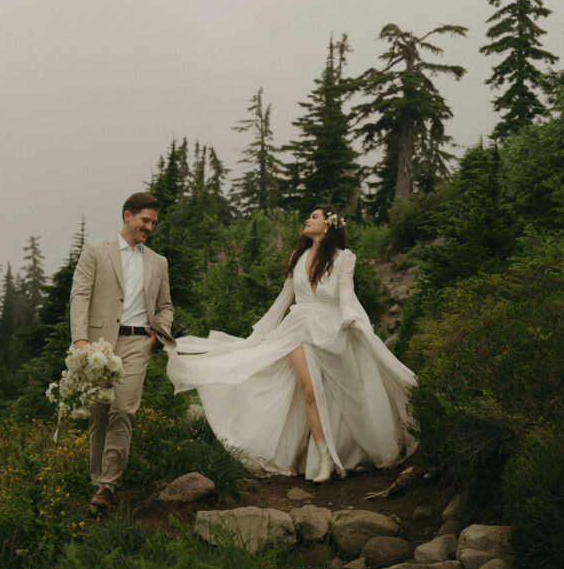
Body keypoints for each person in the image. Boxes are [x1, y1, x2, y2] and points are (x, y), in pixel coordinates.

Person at [167, 205, 416, 483]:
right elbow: (284, 299)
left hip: (331, 329)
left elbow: (346, 295)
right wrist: (260, 332)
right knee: (308, 390)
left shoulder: (343, 258)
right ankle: (325, 459)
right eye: (308, 216)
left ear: (328, 226)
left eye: (314, 217)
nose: (307, 220)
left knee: (345, 394)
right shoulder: (298, 257)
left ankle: (347, 447)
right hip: (297, 329)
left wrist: (350, 318)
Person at [70, 191, 174, 512]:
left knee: (124, 408)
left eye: (154, 222)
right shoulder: (95, 251)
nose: (150, 228)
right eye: (145, 220)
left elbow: (166, 305)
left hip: (137, 342)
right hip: (99, 345)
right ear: (127, 216)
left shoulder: (158, 262)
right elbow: (79, 295)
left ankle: (108, 485)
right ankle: (96, 483)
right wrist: (80, 341)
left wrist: (157, 335)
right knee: (99, 414)